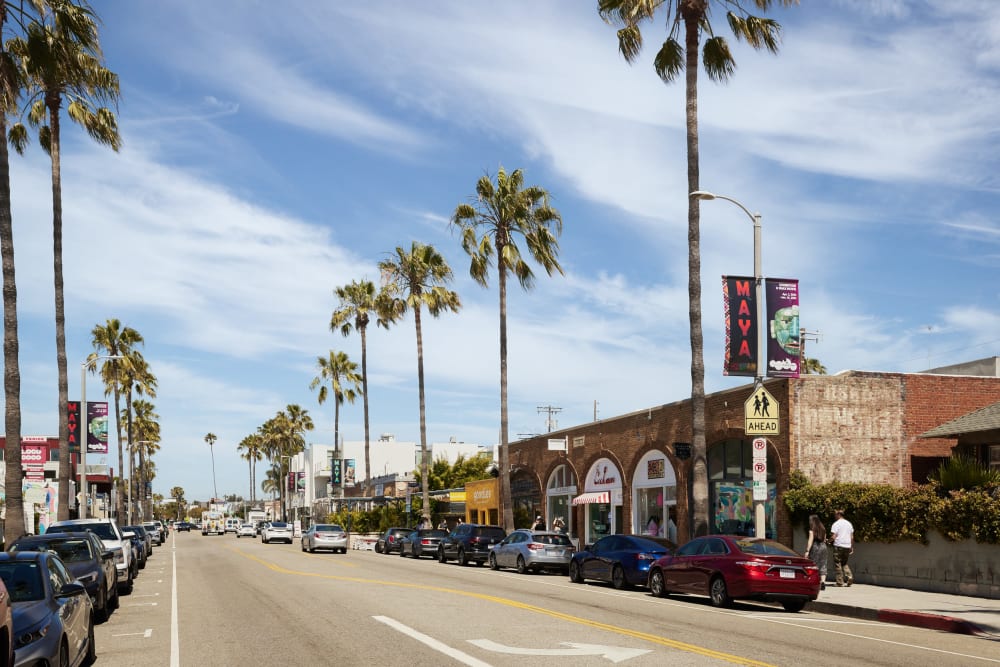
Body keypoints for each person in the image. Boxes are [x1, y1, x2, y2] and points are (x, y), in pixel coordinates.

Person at [830, 509, 854, 586]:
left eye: (835, 514)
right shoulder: (849, 524)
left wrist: (828, 541)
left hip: (838, 545)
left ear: (839, 515)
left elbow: (834, 536)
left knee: (838, 563)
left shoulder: (836, 524)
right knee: (844, 563)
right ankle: (849, 576)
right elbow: (852, 537)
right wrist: (851, 546)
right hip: (847, 545)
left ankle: (839, 582)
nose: (834, 516)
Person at [804, 514, 829, 590]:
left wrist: (807, 550)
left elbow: (810, 541)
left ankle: (813, 581)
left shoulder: (812, 530)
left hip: (815, 546)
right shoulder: (823, 528)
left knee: (814, 564)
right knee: (823, 564)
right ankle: (823, 582)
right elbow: (824, 539)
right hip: (823, 547)